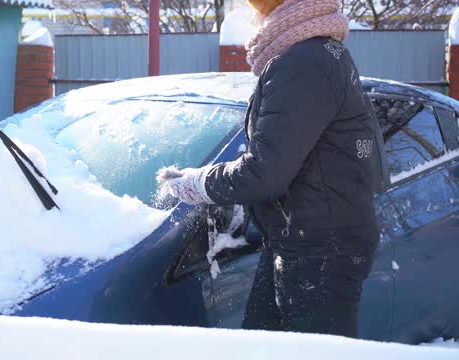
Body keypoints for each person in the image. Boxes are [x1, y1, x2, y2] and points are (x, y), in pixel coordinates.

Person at [156, 0, 379, 338]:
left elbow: (265, 172)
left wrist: (198, 183)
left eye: (254, 8)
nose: (252, 17)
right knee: (264, 348)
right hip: (303, 242)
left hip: (318, 252)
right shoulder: (316, 54)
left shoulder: (305, 63)